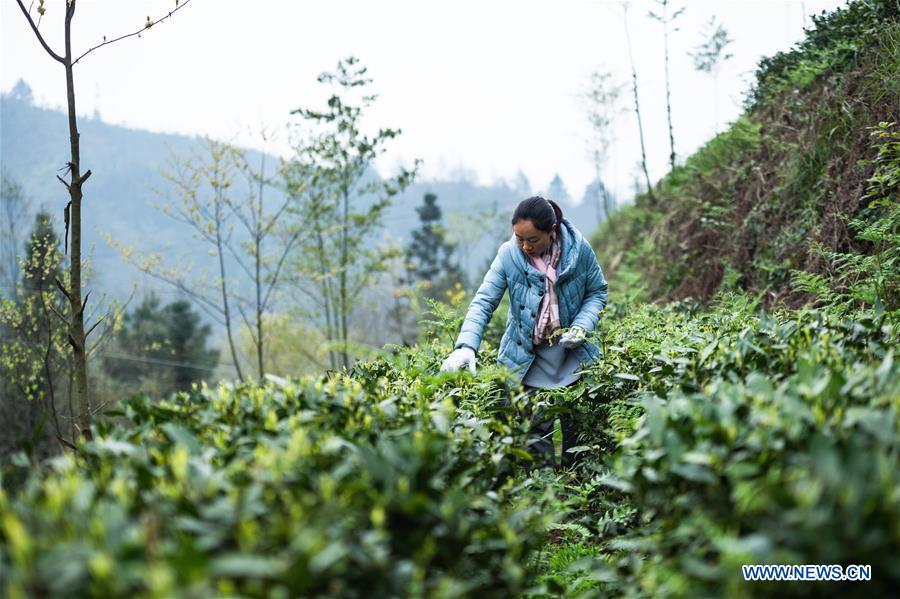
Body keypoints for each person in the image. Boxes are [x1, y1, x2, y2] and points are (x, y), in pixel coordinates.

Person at [440, 196, 608, 468]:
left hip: (574, 361)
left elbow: (597, 292)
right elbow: (483, 302)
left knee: (578, 451)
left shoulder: (580, 251)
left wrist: (582, 325)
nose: (525, 246)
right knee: (535, 449)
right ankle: (542, 503)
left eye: (533, 240)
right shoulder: (509, 254)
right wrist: (466, 346)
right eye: (519, 238)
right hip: (528, 364)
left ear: (552, 232)